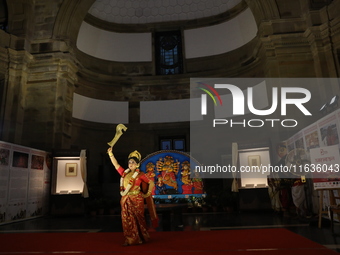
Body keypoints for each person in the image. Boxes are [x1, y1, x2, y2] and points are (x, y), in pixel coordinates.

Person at [107, 147, 157, 246]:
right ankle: (130, 239)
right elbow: (116, 164)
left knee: (139, 219)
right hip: (125, 198)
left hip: (137, 199)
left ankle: (141, 237)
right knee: (126, 219)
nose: (131, 164)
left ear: (137, 164)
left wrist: (147, 193)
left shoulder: (141, 175)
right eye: (130, 162)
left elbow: (151, 182)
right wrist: (110, 154)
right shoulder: (124, 173)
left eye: (133, 162)